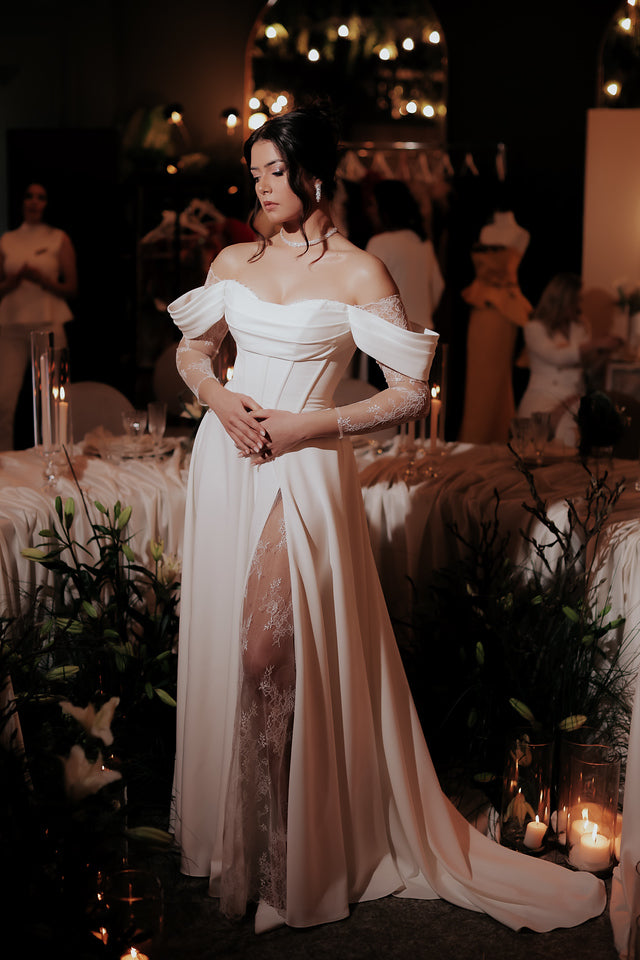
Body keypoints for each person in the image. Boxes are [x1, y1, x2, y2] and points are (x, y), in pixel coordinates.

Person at [167, 104, 605, 933]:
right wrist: (219, 398)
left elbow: (408, 393)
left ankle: (287, 866)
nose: (261, 188)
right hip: (228, 461)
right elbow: (193, 350)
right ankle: (252, 844)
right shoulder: (234, 259)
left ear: (313, 175)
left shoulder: (361, 272)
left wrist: (308, 425)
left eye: (274, 172)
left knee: (266, 653)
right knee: (242, 656)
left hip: (302, 468)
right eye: (254, 174)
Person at [0, 182, 77, 450]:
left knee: (54, 398)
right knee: (4, 400)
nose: (34, 202)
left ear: (47, 203)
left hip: (49, 322)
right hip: (11, 324)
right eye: (29, 196)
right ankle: (4, 460)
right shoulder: (7, 240)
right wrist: (13, 281)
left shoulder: (58, 238)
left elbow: (72, 287)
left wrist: (43, 280)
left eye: (40, 197)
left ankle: (56, 455)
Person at [517, 273, 622, 445]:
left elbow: (588, 368)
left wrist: (604, 353)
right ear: (562, 301)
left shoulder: (581, 326)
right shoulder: (534, 328)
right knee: (540, 446)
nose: (579, 306)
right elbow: (557, 356)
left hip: (574, 398)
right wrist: (595, 344)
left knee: (571, 437)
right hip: (542, 398)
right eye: (575, 301)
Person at [458, 208, 532, 444]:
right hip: (480, 310)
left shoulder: (521, 234)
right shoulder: (485, 230)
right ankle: (474, 436)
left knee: (497, 379)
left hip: (504, 313)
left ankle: (493, 436)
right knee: (477, 379)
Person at [365, 179, 444, 333]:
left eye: (373, 204)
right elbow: (438, 286)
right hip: (423, 330)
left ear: (385, 208)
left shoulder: (380, 242)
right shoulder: (423, 242)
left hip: (391, 332)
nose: (370, 210)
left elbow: (368, 294)